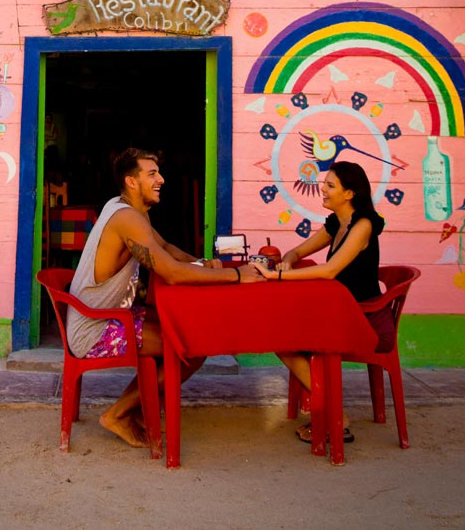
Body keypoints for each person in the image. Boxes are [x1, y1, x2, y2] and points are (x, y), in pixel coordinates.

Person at [66, 147, 265, 448]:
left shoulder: (125, 209)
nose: (161, 179)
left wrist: (201, 262)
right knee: (191, 347)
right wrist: (237, 275)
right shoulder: (126, 219)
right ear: (132, 182)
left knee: (186, 331)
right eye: (152, 174)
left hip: (106, 318)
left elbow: (167, 248)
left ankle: (139, 408)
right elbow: (170, 272)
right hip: (94, 330)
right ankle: (118, 414)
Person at [249, 160, 388, 444]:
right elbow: (298, 251)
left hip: (361, 316)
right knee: (278, 334)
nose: (321, 189)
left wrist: (276, 277)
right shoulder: (337, 222)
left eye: (330, 185)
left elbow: (329, 270)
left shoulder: (362, 225)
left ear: (349, 193)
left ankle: (334, 413)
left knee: (282, 338)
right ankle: (329, 408)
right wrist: (287, 260)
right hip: (337, 308)